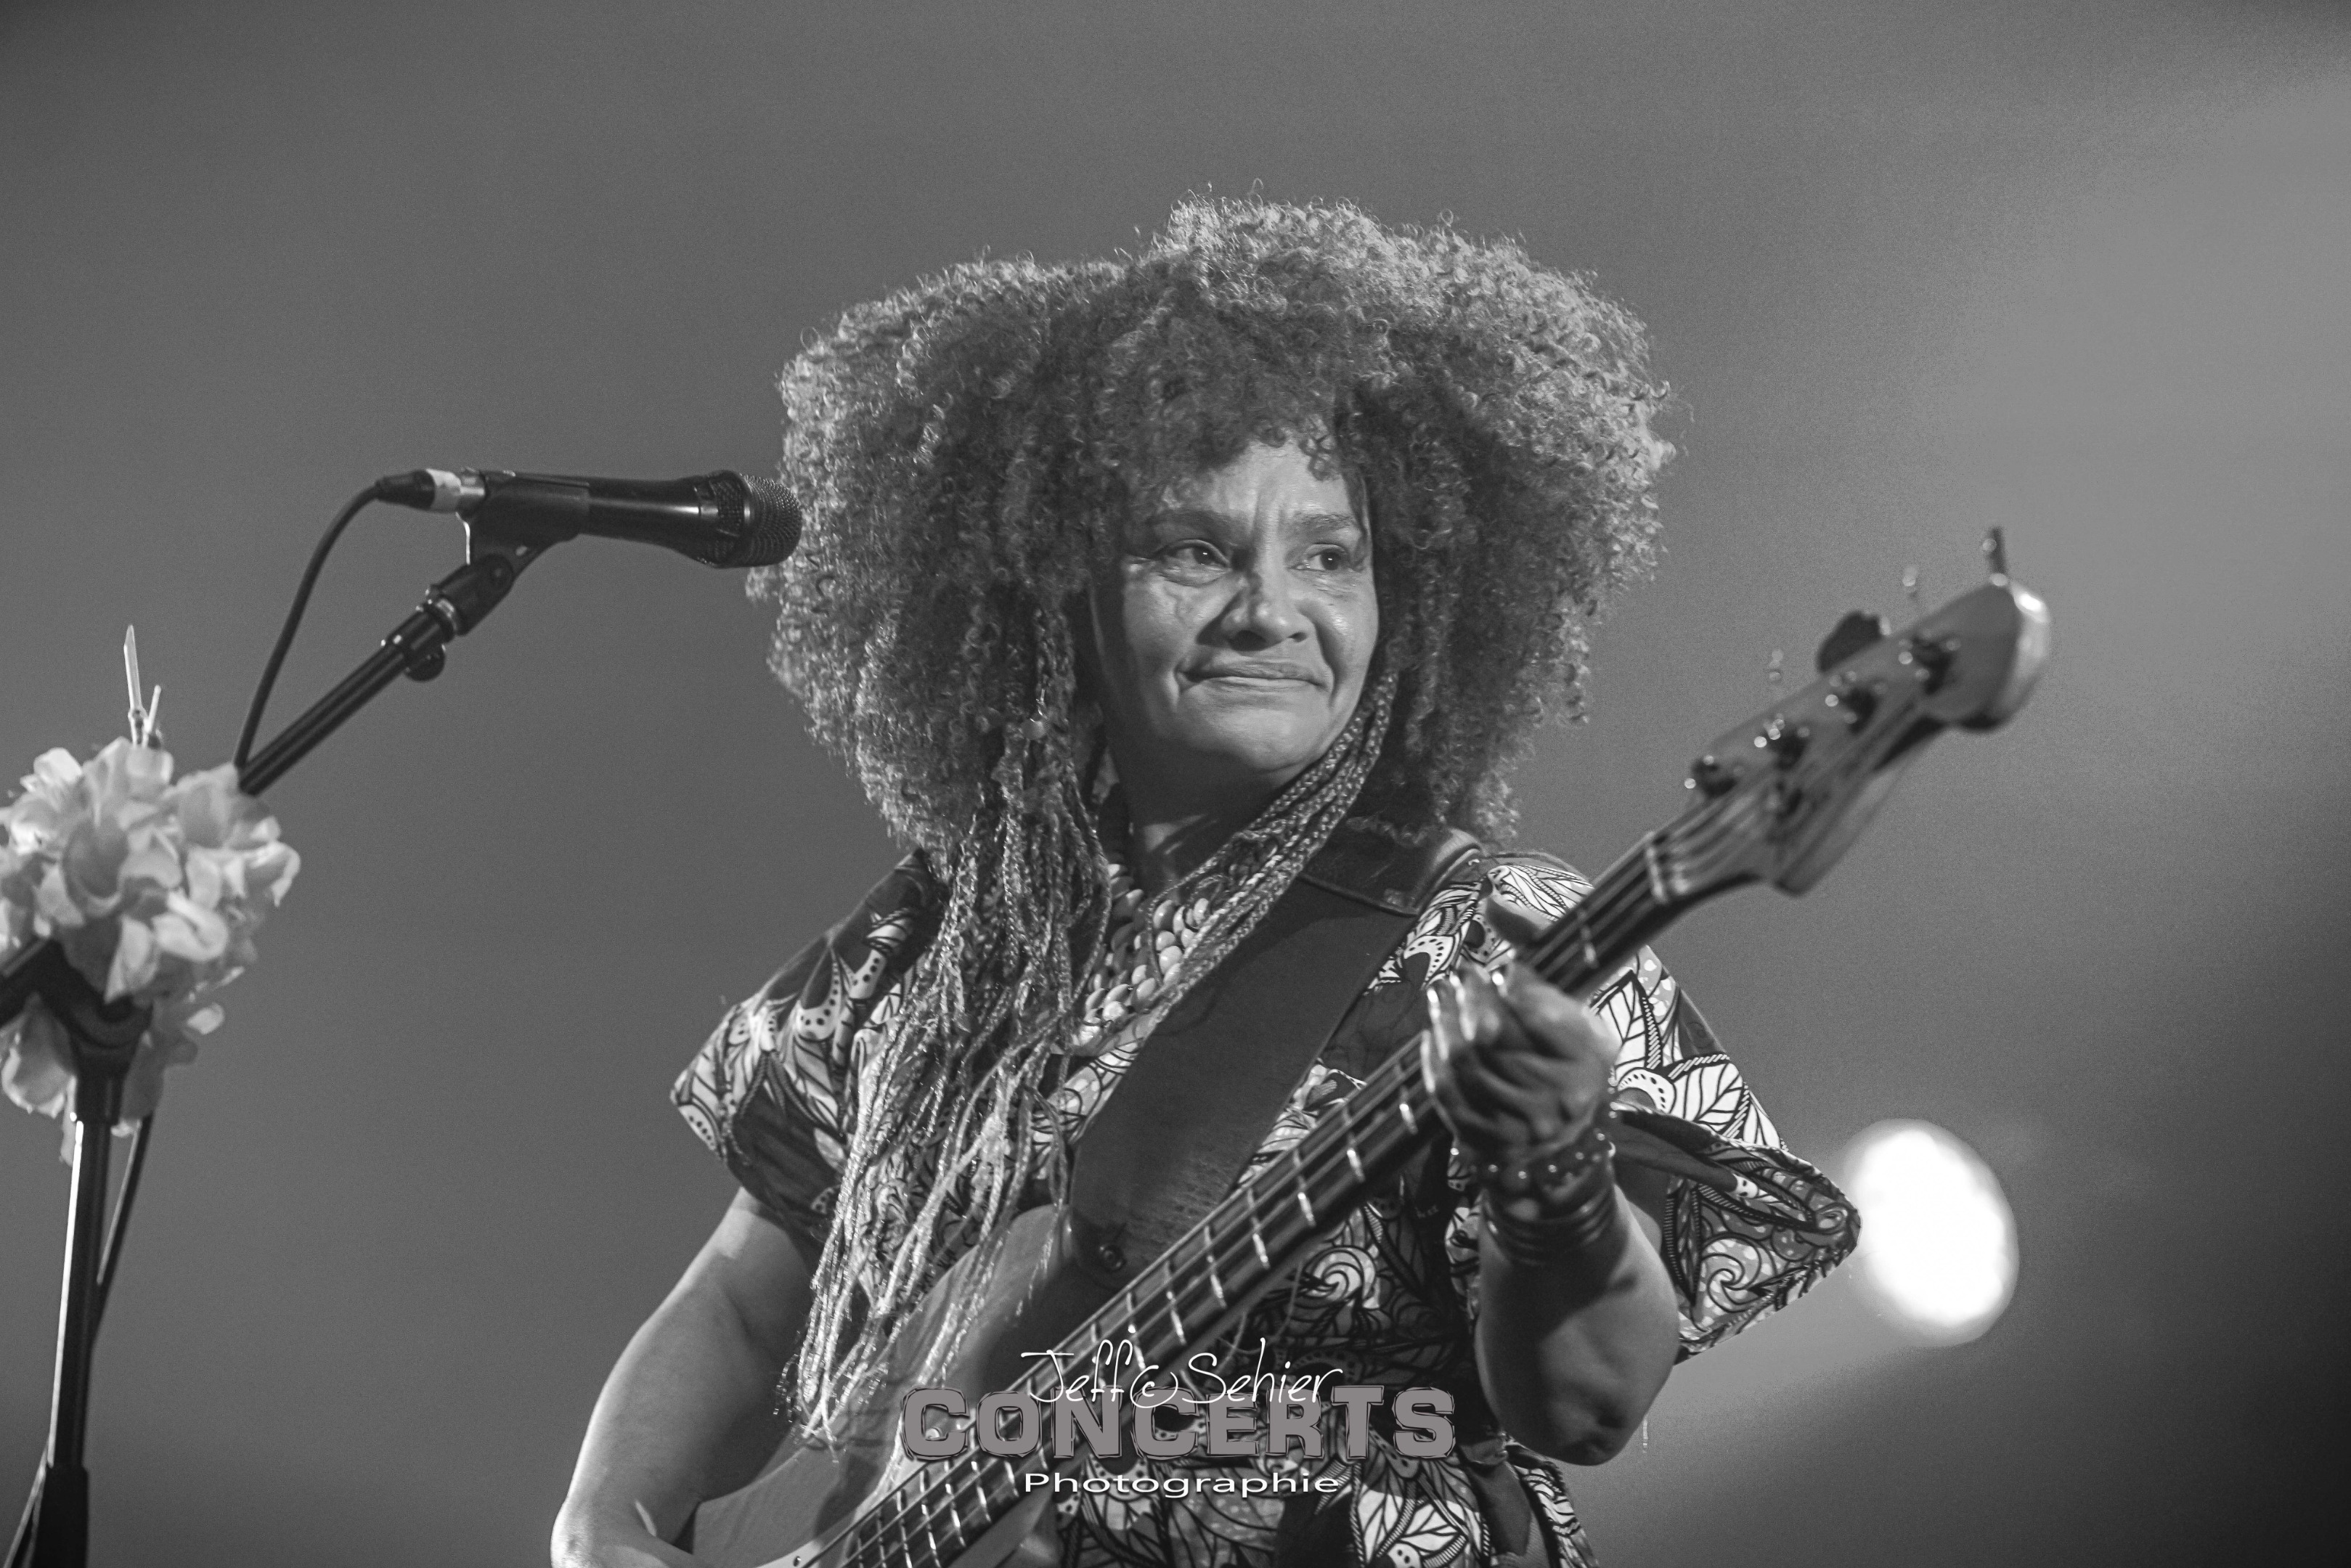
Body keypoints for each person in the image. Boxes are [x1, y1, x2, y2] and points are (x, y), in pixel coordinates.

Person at [553, 197, 1858, 1568]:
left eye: (1329, 556)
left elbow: (1589, 1404)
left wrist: (1557, 1181)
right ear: (1052, 589)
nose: (1270, 610)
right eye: (1194, 550)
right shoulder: (935, 938)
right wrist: (603, 1528)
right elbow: (743, 1298)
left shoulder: (1488, 935)